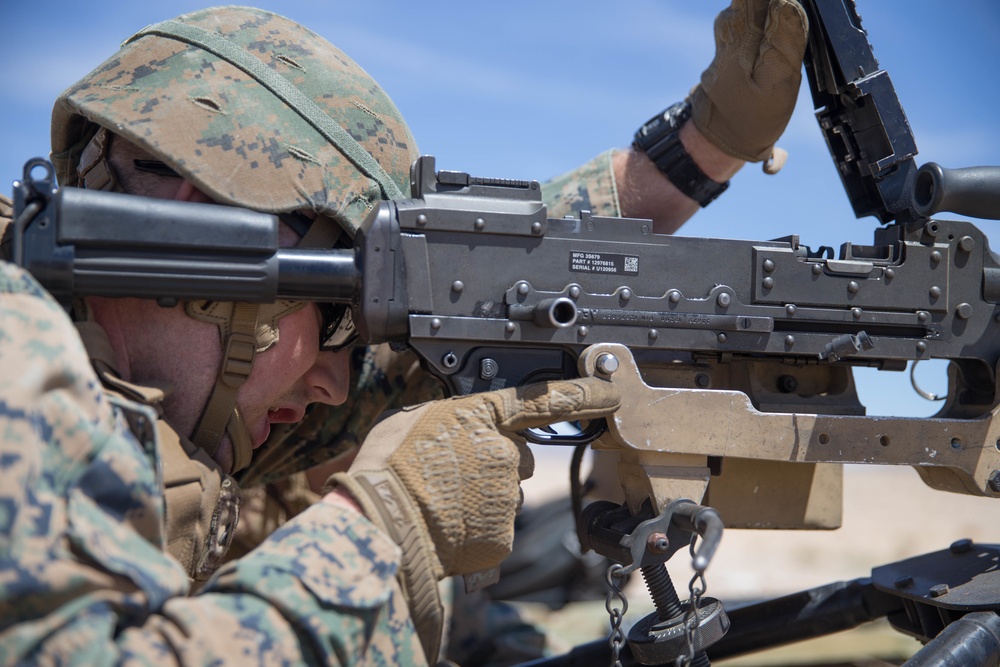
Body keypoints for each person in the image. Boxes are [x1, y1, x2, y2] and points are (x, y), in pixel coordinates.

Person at [0, 1, 807, 665]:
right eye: (341, 315)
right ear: (204, 229)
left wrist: (698, 149)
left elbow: (472, 293)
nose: (337, 384)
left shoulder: (168, 385)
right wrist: (392, 524)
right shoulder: (16, 347)